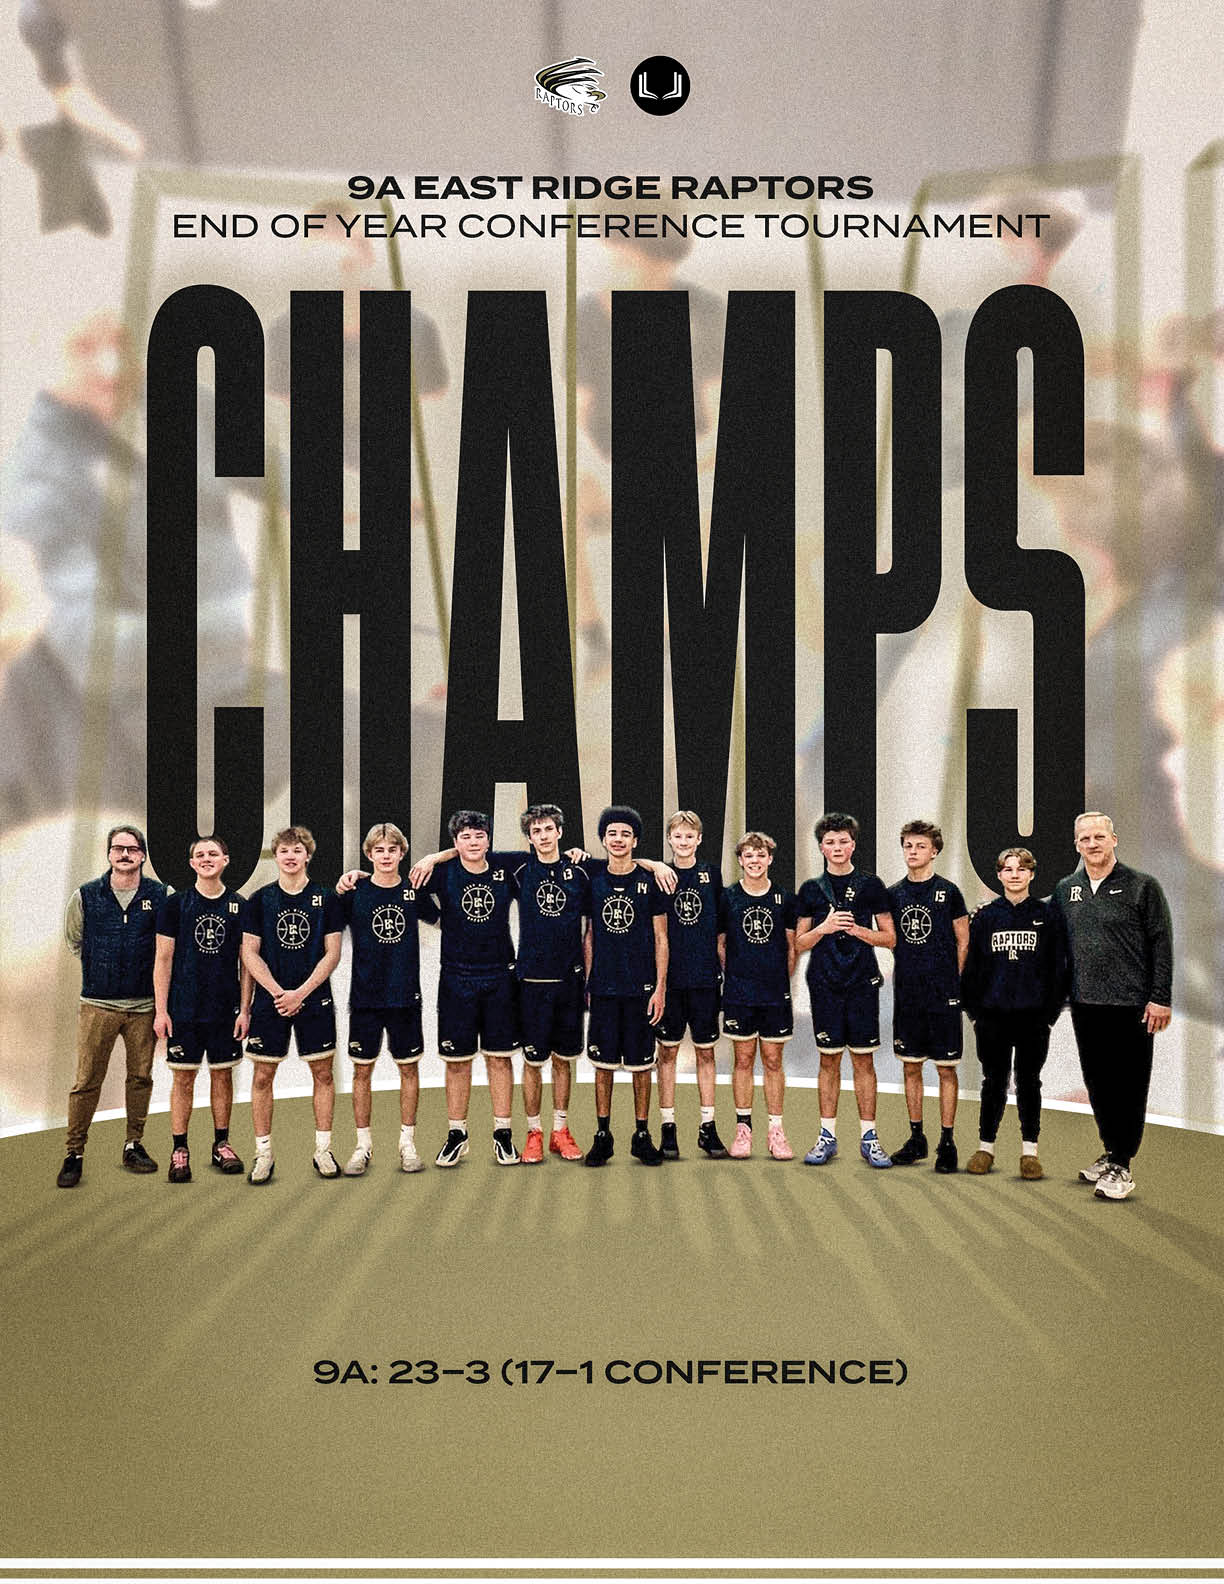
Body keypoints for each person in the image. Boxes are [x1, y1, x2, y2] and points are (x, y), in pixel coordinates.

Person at [1051, 812, 1173, 1201]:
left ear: (1114, 839)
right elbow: (1045, 928)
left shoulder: (1142, 887)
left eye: (1099, 837)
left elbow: (1162, 943)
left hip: (1132, 1006)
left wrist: (1161, 997)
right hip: (1085, 1004)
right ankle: (1110, 1152)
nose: (1092, 844)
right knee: (1098, 1084)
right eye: (1085, 838)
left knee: (1129, 1087)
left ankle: (1122, 1163)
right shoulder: (1067, 889)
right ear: (1076, 845)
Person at [56, 823, 167, 1187]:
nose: (124, 855)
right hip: (97, 1004)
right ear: (108, 854)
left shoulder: (160, 894)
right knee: (87, 1080)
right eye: (118, 848)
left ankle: (133, 1144)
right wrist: (101, 964)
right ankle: (74, 1153)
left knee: (140, 1078)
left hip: (144, 1006)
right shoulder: (86, 895)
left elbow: (167, 948)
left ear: (142, 855)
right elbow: (75, 941)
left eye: (132, 849)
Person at [241, 826, 344, 1184]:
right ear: (276, 855)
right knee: (262, 1076)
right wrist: (277, 992)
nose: (290, 856)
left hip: (314, 999)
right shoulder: (259, 900)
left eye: (297, 850)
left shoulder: (326, 899)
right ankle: (263, 1154)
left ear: (307, 856)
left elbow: (333, 953)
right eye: (284, 850)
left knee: (323, 1074)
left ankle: (323, 1150)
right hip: (271, 1001)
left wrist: (300, 992)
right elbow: (249, 953)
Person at [794, 813, 896, 1169]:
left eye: (843, 841)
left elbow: (890, 937)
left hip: (862, 983)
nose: (837, 847)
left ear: (853, 845)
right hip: (825, 984)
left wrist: (858, 931)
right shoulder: (811, 889)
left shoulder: (871, 885)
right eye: (830, 842)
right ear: (821, 847)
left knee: (863, 1060)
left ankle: (869, 1137)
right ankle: (827, 1136)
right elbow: (800, 943)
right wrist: (824, 927)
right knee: (829, 1060)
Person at [421, 811, 522, 1168]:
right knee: (457, 1062)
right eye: (465, 836)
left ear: (489, 840)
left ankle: (503, 1135)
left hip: (500, 977)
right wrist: (438, 918)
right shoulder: (443, 872)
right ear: (455, 842)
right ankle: (457, 1135)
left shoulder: (505, 868)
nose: (474, 842)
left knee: (500, 1059)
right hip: (456, 978)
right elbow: (411, 891)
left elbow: (543, 859)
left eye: (479, 835)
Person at [960, 847, 1068, 1180]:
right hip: (992, 1016)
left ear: (1032, 874)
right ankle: (985, 1147)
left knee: (1029, 1082)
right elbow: (972, 967)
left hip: (1033, 1017)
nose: (1015, 874)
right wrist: (975, 1012)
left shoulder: (1047, 915)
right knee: (993, 1082)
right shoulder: (986, 916)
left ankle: (1029, 1152)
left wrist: (1049, 1013)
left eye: (1022, 869)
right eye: (1008, 869)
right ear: (999, 875)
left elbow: (1059, 967)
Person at [337, 823, 438, 1177]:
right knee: (361, 1071)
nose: (385, 856)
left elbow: (443, 920)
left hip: (405, 997)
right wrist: (345, 880)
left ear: (401, 853)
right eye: (379, 850)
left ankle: (407, 1144)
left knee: (408, 1069)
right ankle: (362, 1145)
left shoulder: (413, 891)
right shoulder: (354, 892)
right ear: (369, 854)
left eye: (392, 850)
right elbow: (327, 930)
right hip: (365, 998)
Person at [154, 835, 250, 1182]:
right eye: (200, 854)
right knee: (183, 1078)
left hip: (224, 1011)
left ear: (225, 860)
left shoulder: (239, 906)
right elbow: (163, 960)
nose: (207, 858)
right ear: (192, 863)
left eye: (213, 853)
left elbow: (247, 963)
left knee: (222, 1075)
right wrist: (161, 1011)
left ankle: (221, 1144)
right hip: (184, 1010)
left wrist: (245, 1010)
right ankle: (179, 1150)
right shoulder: (175, 905)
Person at [583, 806, 670, 1167]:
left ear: (635, 840)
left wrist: (660, 988)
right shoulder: (592, 879)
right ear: (603, 839)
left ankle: (641, 1135)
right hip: (604, 988)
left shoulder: (650, 881)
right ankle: (603, 1136)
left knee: (641, 1066)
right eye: (612, 834)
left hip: (641, 989)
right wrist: (589, 982)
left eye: (625, 834)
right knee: (602, 1065)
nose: (618, 840)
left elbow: (661, 939)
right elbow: (589, 935)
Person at [886, 820, 969, 1173]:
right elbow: (889, 939)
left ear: (934, 851)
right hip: (909, 995)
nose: (913, 851)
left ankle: (947, 1142)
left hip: (942, 995)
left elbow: (963, 940)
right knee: (911, 1067)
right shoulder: (893, 894)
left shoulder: (949, 892)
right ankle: (916, 1137)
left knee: (946, 1069)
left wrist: (951, 981)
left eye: (920, 846)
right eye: (908, 845)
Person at [718, 832, 798, 1161]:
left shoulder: (784, 899)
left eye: (760, 855)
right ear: (740, 860)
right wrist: (740, 976)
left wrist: (776, 980)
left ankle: (776, 1131)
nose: (755, 861)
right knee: (743, 1060)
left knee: (774, 1061)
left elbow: (791, 948)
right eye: (749, 855)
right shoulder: (728, 897)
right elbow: (721, 946)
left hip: (774, 995)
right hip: (739, 993)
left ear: (770, 859)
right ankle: (743, 1129)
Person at [655, 810, 728, 1159]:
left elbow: (720, 933)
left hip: (704, 980)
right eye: (678, 836)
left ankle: (707, 1127)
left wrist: (725, 972)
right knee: (667, 1053)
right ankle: (668, 1128)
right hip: (671, 981)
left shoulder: (711, 874)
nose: (683, 841)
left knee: (706, 1052)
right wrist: (654, 864)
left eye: (689, 836)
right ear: (669, 839)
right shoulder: (660, 875)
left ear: (699, 839)